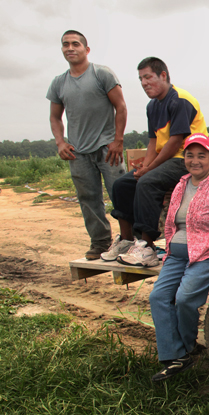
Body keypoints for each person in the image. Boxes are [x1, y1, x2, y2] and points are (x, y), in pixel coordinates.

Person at [148, 133, 209, 382]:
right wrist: (168, 248)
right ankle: (177, 356)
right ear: (184, 159)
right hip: (176, 255)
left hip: (206, 254)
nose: (195, 160)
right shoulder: (182, 184)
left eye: (202, 155)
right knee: (158, 297)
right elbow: (172, 221)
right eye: (190, 155)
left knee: (185, 298)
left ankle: (186, 347)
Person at [101, 57, 208, 266]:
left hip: (186, 159)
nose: (144, 83)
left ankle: (147, 247)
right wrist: (144, 167)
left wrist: (150, 169)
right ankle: (126, 239)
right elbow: (153, 142)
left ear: (163, 76)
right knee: (122, 184)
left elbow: (175, 141)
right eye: (141, 79)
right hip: (166, 160)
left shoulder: (180, 100)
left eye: (148, 77)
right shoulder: (152, 106)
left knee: (147, 182)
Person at [47, 30, 128, 260]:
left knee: (120, 194)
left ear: (86, 49)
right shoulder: (58, 83)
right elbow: (55, 116)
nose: (70, 48)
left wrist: (118, 140)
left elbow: (120, 107)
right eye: (65, 45)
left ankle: (133, 241)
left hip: (107, 148)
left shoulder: (101, 74)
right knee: (89, 199)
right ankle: (100, 242)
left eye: (75, 44)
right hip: (78, 152)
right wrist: (60, 142)